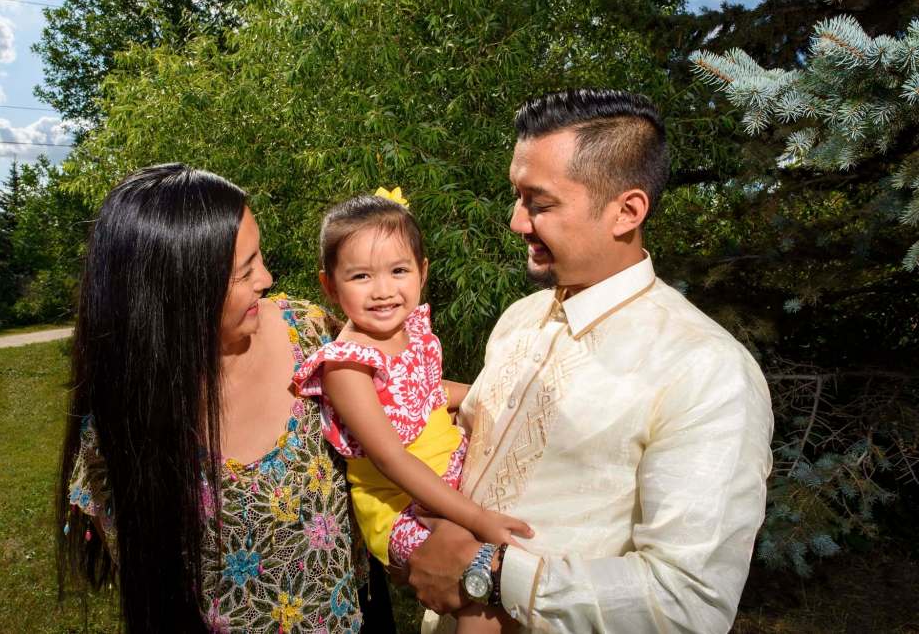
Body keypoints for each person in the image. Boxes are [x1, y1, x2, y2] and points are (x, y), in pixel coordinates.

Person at [407, 89, 775, 633]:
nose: (517, 222)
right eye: (518, 197)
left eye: (540, 202)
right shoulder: (519, 318)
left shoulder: (707, 369)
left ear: (627, 211)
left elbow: (688, 603)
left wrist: (489, 572)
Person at [56, 164, 387, 632]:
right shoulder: (122, 424)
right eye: (244, 270)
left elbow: (402, 411)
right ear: (177, 293)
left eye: (259, 258)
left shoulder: (310, 334)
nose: (267, 279)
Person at [292, 191, 533, 634]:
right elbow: (391, 458)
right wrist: (473, 516)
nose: (383, 291)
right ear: (329, 285)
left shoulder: (412, 330)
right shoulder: (346, 364)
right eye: (361, 276)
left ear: (421, 272)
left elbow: (426, 391)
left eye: (398, 271)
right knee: (480, 595)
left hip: (447, 477)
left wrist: (493, 393)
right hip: (401, 504)